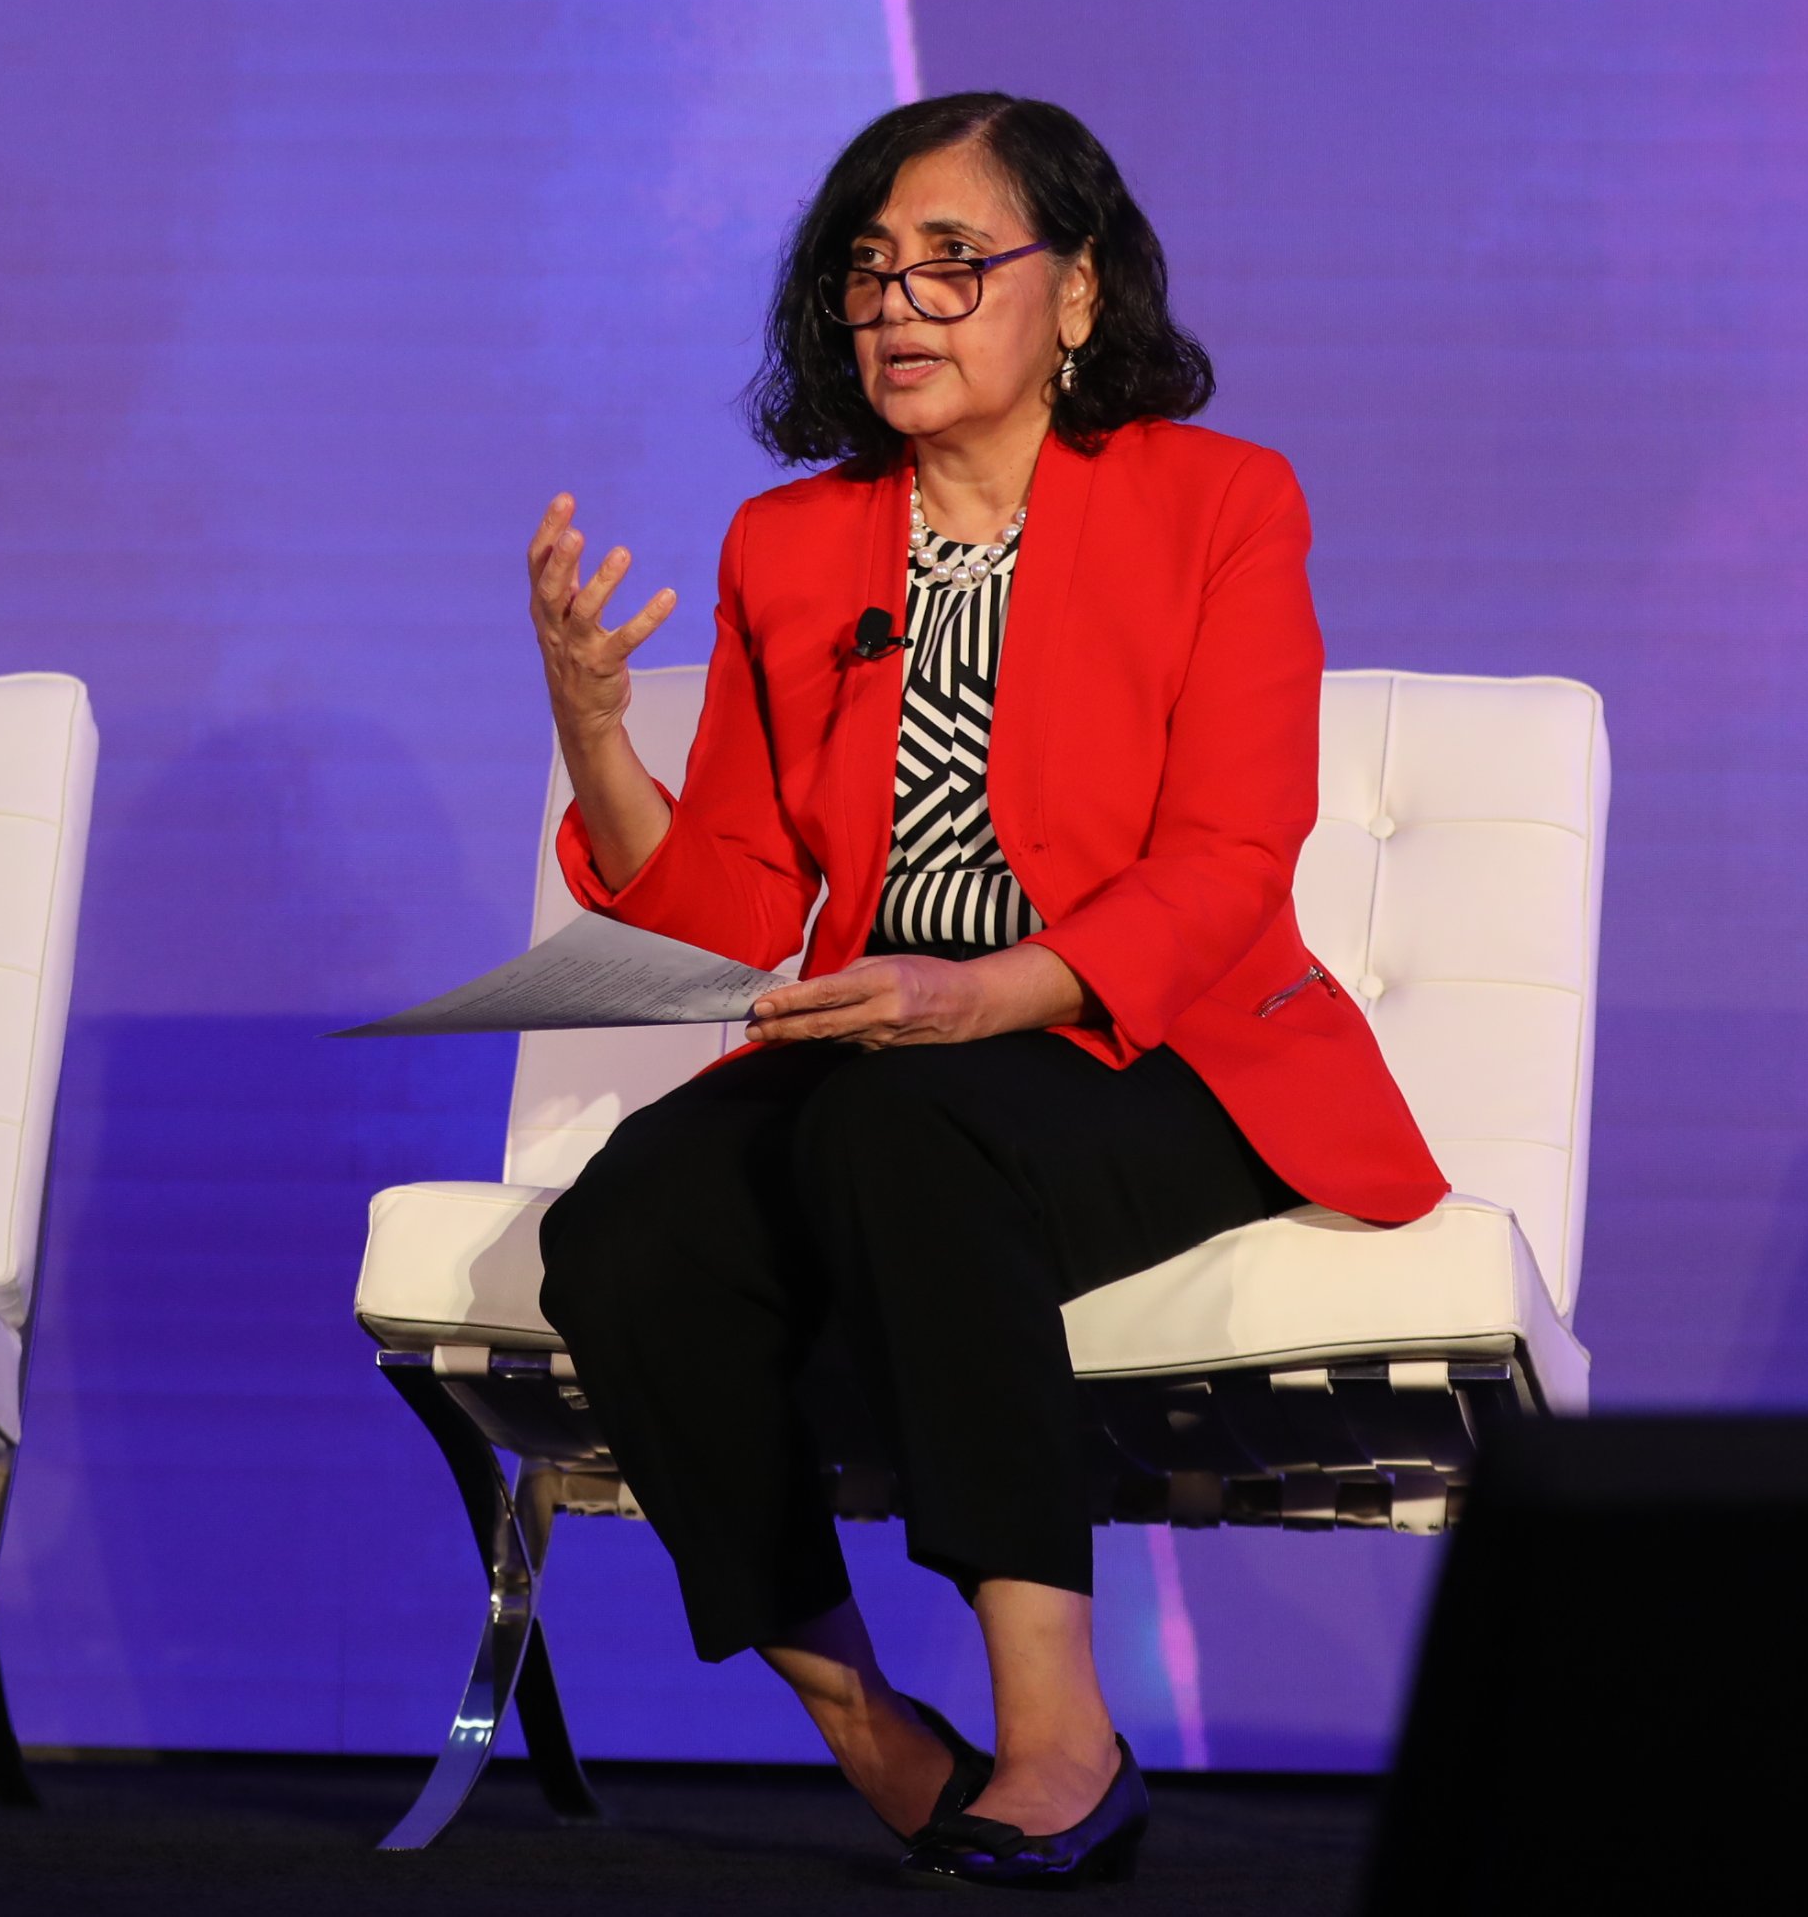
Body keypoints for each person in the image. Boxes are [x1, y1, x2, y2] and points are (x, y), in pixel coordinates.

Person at [523, 93, 1447, 1886]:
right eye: (869, 272)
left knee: (904, 1126)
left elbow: (1231, 861)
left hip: (1162, 1051)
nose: (901, 306)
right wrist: (595, 734)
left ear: (1077, 295)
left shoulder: (1222, 503)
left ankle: (1059, 1732)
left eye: (955, 265)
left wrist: (988, 993)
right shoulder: (791, 547)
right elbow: (726, 904)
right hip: (892, 1054)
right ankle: (867, 1722)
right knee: (630, 1226)